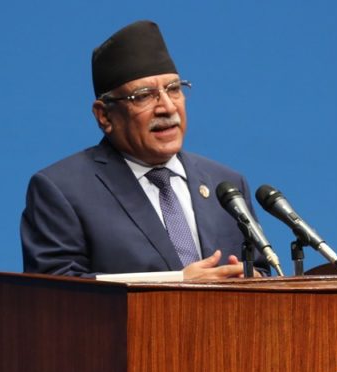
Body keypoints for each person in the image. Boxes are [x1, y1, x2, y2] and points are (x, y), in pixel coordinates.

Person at [20, 20, 266, 279]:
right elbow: (56, 289)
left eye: (174, 89)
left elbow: (260, 270)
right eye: (144, 96)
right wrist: (178, 283)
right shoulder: (62, 190)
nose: (167, 107)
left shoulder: (225, 185)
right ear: (104, 115)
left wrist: (252, 279)